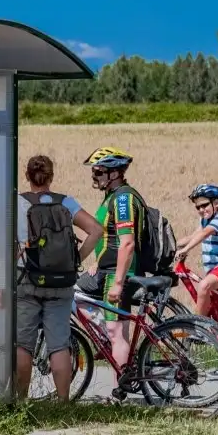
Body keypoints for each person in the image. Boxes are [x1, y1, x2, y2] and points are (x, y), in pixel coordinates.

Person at [15, 155, 103, 402]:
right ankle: (63, 404)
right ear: (51, 177)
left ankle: (21, 402)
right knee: (59, 345)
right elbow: (96, 230)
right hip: (61, 282)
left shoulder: (17, 203)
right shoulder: (66, 202)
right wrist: (76, 260)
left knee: (23, 344)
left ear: (27, 176)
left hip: (27, 279)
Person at [75, 146, 146, 371]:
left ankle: (120, 394)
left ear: (114, 173)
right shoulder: (112, 196)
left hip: (118, 273)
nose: (94, 176)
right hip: (105, 269)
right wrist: (97, 260)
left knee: (118, 334)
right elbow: (108, 236)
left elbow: (127, 242)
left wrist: (117, 283)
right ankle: (106, 337)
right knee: (73, 292)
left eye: (98, 172)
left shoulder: (122, 199)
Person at [173, 184, 218, 318]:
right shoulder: (205, 221)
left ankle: (199, 329)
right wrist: (172, 246)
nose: (201, 209)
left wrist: (186, 250)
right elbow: (194, 236)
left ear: (216, 203)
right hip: (214, 272)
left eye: (204, 205)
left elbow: (205, 233)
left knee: (203, 286)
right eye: (198, 207)